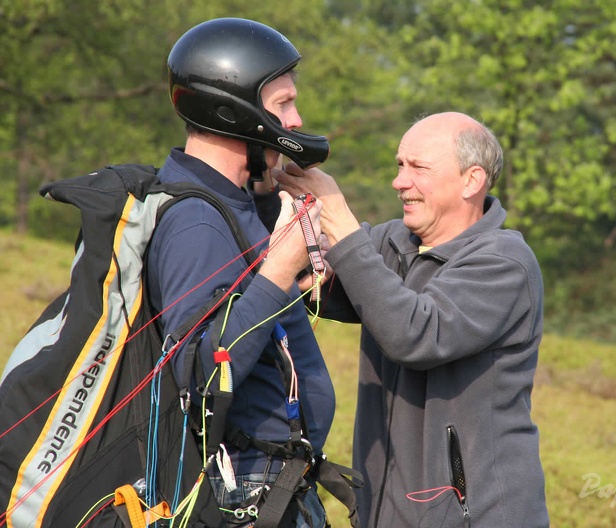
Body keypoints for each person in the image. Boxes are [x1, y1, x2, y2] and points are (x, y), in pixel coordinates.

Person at [276, 112, 550, 528]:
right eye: (400, 165)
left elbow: (414, 333)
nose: (400, 181)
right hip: (387, 511)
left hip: (475, 516)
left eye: (418, 167)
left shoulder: (504, 263)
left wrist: (336, 216)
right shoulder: (393, 243)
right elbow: (318, 277)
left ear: (471, 181)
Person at [150, 17, 336, 527]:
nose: (296, 120)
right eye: (283, 105)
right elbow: (203, 376)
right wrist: (280, 268)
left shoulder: (233, 203)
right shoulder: (197, 222)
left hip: (277, 481)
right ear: (235, 114)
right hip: (247, 496)